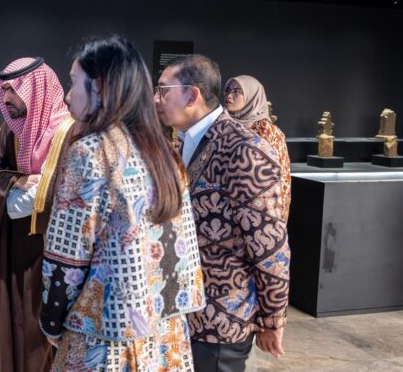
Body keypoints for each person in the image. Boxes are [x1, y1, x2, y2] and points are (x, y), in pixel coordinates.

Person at [39, 35, 205, 371]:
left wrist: (51, 322)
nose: (68, 96)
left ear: (99, 87)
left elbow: (66, 260)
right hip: (165, 336)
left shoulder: (90, 153)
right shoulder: (164, 152)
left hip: (106, 338)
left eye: (73, 82)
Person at [154, 55, 290, 372]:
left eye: (163, 90)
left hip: (222, 320)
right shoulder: (182, 141)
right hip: (180, 311)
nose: (156, 99)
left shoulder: (244, 149)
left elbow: (269, 245)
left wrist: (273, 317)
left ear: (192, 95)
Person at [0, 57, 77, 372]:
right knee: (13, 316)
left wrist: (18, 196)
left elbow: (51, 195)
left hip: (49, 249)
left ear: (35, 89)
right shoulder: (11, 129)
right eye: (4, 90)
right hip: (14, 245)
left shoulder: (67, 132)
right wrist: (15, 181)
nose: (6, 97)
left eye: (13, 90)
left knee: (41, 325)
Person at [224, 75, 292, 221]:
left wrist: (277, 218)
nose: (229, 95)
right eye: (227, 90)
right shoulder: (222, 127)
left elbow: (282, 178)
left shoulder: (268, 132)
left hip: (260, 211)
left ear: (252, 96)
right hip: (225, 208)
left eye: (236, 91)